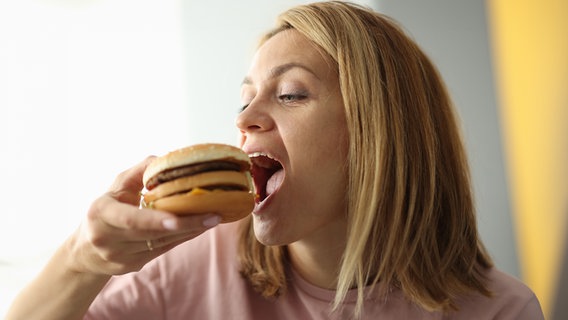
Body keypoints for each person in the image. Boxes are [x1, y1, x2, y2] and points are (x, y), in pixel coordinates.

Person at [6, 1, 544, 319]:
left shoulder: (500, 310)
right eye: (244, 100)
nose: (245, 119)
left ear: (381, 131)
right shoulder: (194, 261)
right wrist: (82, 260)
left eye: (289, 94)